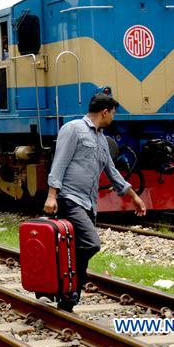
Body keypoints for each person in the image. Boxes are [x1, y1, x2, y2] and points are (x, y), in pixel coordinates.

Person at [45, 94, 147, 311]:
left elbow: (111, 170)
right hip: (70, 198)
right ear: (105, 112)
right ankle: (65, 280)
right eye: (113, 113)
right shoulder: (73, 129)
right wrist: (52, 195)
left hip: (88, 202)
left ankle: (69, 297)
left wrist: (134, 197)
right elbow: (60, 162)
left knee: (77, 248)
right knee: (91, 243)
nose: (113, 117)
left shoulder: (101, 138)